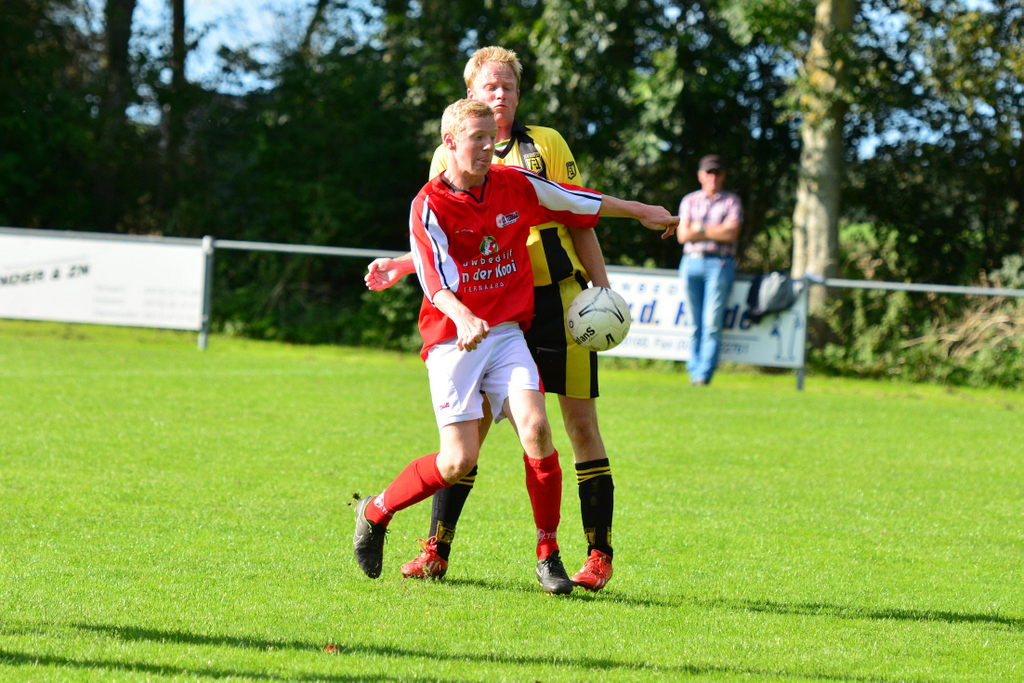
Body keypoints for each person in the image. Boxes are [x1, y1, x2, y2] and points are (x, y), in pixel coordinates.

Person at [364, 47, 661, 592]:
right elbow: (443, 244)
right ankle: (432, 545)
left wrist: (604, 282)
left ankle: (584, 554)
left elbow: (579, 210)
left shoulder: (539, 152)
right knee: (464, 447)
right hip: (479, 317)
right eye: (489, 87)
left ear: (520, 94)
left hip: (553, 306)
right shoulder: (445, 165)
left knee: (565, 427)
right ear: (466, 104)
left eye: (509, 87)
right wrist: (409, 270)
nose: (499, 95)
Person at [676, 154, 743, 386]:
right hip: (691, 262)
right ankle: (694, 371)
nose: (712, 177)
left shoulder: (732, 201)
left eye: (716, 173)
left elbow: (731, 233)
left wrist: (700, 229)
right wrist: (716, 230)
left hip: (720, 264)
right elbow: (683, 235)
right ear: (700, 176)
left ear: (722, 176)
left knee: (712, 324)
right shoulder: (689, 200)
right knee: (694, 323)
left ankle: (703, 375)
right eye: (708, 172)